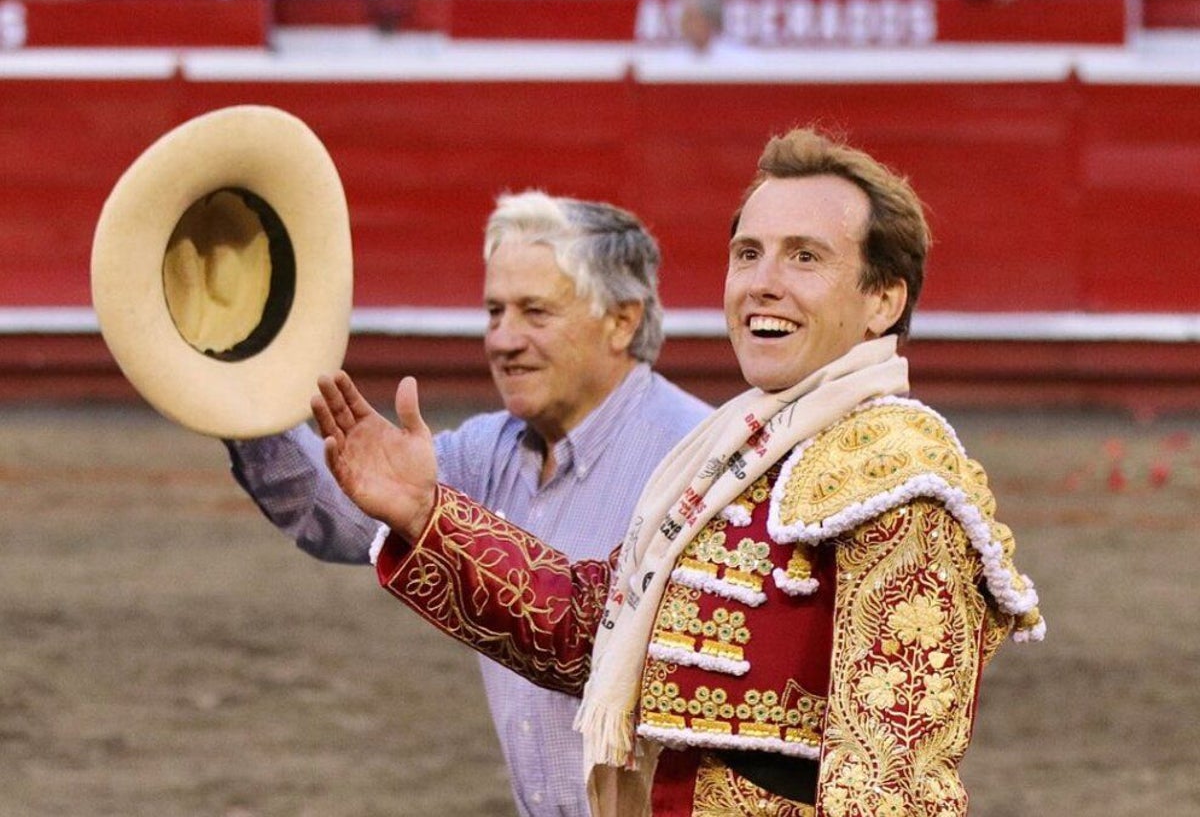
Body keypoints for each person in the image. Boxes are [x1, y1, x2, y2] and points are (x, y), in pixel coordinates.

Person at [314, 127, 1045, 816]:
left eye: (805, 257)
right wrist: (425, 512)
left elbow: (895, 786)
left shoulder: (898, 471)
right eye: (748, 252)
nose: (763, 282)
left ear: (883, 300)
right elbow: (588, 631)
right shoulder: (731, 451)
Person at [225, 189, 710, 816]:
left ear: (621, 320)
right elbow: (341, 519)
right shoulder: (491, 448)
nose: (504, 340)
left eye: (535, 312)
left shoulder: (697, 460)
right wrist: (230, 384)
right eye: (494, 312)